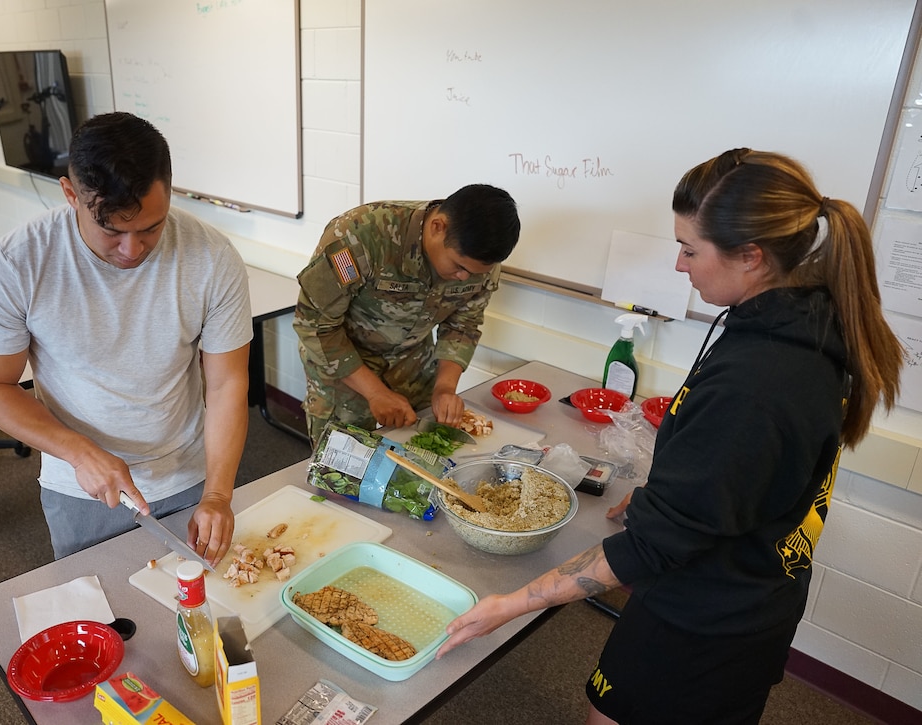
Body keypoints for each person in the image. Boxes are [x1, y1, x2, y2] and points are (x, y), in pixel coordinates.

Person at [435, 149, 902, 724]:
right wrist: (680, 499)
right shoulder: (798, 320)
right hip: (743, 594)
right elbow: (739, 476)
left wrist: (511, 605)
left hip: (706, 623)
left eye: (689, 249)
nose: (680, 266)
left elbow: (654, 545)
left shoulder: (760, 383)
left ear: (751, 256)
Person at [0, 112, 252, 562]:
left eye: (151, 228)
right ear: (70, 194)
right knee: (103, 620)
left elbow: (227, 382)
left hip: (190, 473)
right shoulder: (16, 263)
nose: (132, 250)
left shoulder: (211, 257)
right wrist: (79, 452)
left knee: (199, 612)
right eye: (112, 231)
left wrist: (217, 494)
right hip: (82, 488)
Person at [293, 184, 520, 445]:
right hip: (343, 361)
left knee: (423, 453)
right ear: (438, 227)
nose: (464, 277)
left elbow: (463, 325)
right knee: (341, 464)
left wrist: (445, 389)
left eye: (473, 273)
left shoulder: (480, 257)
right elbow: (315, 326)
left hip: (412, 359)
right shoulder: (359, 235)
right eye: (458, 267)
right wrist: (375, 392)